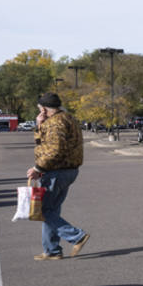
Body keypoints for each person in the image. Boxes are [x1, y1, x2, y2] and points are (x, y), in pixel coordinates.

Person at [26, 92, 90, 260]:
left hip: (56, 171)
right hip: (69, 170)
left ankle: (77, 236)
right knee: (52, 210)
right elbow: (46, 144)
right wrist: (39, 126)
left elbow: (54, 150)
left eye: (40, 109)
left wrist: (37, 168)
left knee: (45, 211)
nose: (39, 112)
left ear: (45, 109)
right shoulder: (68, 118)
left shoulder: (55, 123)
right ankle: (52, 250)